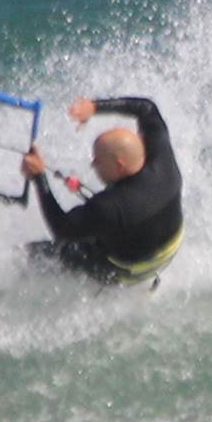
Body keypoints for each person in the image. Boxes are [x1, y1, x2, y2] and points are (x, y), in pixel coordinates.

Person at [21, 94, 180, 285]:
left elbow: (62, 229)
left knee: (34, 253)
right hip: (168, 252)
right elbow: (147, 108)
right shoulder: (164, 161)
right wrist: (94, 107)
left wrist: (39, 177)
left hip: (124, 272)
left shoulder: (108, 206)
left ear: (120, 165)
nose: (93, 164)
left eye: (98, 161)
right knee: (110, 223)